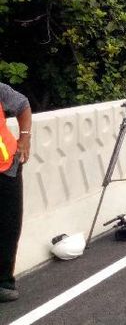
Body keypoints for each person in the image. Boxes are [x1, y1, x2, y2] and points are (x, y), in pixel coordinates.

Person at [0, 82, 31, 302]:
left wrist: (25, 138)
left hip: (7, 168)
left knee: (9, 228)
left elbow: (22, 105)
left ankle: (4, 282)